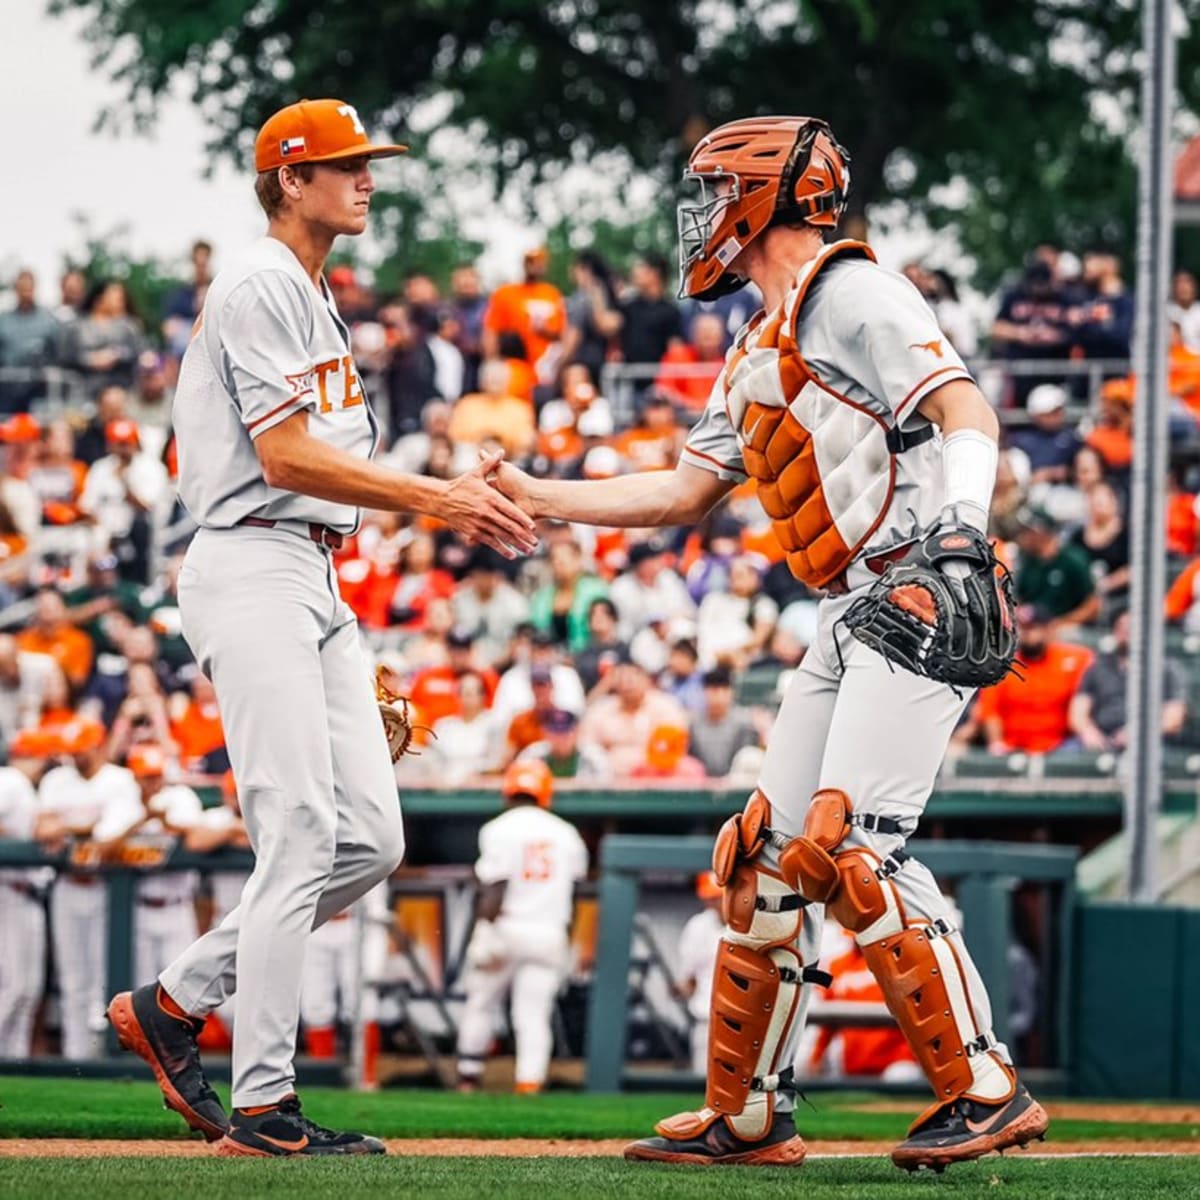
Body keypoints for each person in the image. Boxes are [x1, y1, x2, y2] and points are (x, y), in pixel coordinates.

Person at [492, 115, 1047, 1168]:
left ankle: (985, 1086)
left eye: (710, 194)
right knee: (765, 861)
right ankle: (747, 1117)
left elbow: (965, 410)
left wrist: (967, 532)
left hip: (924, 583)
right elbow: (682, 492)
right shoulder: (759, 339)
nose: (697, 218)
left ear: (756, 197)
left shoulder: (856, 291)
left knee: (850, 849)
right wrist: (534, 492)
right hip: (845, 606)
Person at [103, 97, 537, 1158]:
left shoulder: (308, 288)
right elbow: (289, 460)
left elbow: (315, 469)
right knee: (300, 831)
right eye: (343, 165)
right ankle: (264, 1106)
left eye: (367, 161)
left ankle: (174, 999)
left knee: (371, 837)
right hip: (252, 558)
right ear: (288, 180)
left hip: (311, 575)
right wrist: (435, 498)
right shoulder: (258, 280)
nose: (367, 178)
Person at [455, 760, 588, 1093]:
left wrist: (483, 929)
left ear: (509, 792)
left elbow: (494, 887)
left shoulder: (499, 827)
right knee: (532, 1013)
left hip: (507, 927)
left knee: (481, 1001)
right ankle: (528, 1083)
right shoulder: (566, 832)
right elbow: (577, 890)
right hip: (548, 930)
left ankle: (468, 1077)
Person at [36, 717, 139, 1059]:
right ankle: (74, 1055)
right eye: (71, 751)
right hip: (67, 885)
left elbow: (107, 841)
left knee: (104, 976)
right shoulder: (57, 778)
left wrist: (70, 828)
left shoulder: (119, 780)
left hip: (106, 888)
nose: (75, 757)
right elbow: (42, 827)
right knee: (72, 978)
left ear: (98, 744)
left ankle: (103, 1054)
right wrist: (82, 826)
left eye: (81, 750)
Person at [93, 744, 205, 984]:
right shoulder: (123, 803)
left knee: (184, 988)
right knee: (141, 989)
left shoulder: (180, 797)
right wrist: (142, 820)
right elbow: (101, 850)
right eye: (146, 777)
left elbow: (198, 837)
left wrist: (166, 821)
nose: (152, 783)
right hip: (139, 909)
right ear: (134, 777)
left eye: (156, 776)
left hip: (178, 907)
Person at [962, 606, 1093, 756]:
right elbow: (990, 711)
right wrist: (996, 742)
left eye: (1033, 628)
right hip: (1014, 747)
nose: (1027, 634)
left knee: (1079, 751)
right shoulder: (1003, 666)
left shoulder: (1073, 659)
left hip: (1059, 745)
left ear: (1049, 629)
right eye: (1023, 628)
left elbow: (1092, 681)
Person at [0, 729, 56, 1058]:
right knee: (14, 986)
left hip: (27, 893)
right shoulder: (11, 779)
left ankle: (15, 1060)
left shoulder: (25, 788)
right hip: (8, 891)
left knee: (28, 989)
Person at [1068, 610, 1185, 751]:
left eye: (1131, 627)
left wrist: (1139, 734)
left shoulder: (1165, 668)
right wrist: (1088, 732)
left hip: (1151, 742)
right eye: (1121, 627)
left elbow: (1173, 718)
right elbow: (1078, 712)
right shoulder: (1098, 667)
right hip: (1103, 739)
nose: (1126, 632)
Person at [482, 247, 567, 386]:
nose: (535, 265)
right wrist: (491, 363)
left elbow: (563, 334)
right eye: (531, 261)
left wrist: (545, 331)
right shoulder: (506, 293)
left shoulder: (552, 294)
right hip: (515, 368)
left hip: (547, 369)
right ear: (524, 264)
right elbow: (491, 331)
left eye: (539, 261)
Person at [675, 872, 725, 1075]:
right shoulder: (698, 926)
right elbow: (688, 979)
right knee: (704, 1081)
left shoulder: (752, 924)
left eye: (719, 898)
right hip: (707, 1017)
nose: (715, 904)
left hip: (746, 1020)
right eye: (710, 899)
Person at [0, 269, 62, 412]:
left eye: (29, 288)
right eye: (22, 288)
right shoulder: (3, 320)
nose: (25, 292)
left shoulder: (49, 320)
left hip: (39, 389)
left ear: (35, 288)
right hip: (7, 389)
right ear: (15, 289)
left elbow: (57, 354)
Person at [689, 666, 759, 778]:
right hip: (701, 784)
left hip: (736, 783)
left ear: (731, 692)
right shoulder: (693, 724)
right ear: (704, 692)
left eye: (723, 689)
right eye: (713, 689)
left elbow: (745, 761)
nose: (718, 695)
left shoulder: (745, 722)